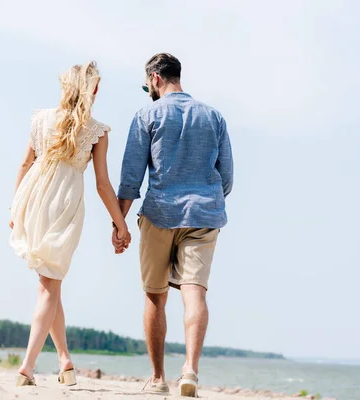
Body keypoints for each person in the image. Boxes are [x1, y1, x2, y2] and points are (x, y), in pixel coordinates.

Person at [113, 53, 234, 397]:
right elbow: (226, 177)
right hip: (204, 214)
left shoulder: (146, 115)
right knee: (195, 292)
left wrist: (119, 224)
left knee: (155, 296)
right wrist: (206, 194)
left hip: (160, 213)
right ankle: (190, 370)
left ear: (154, 79)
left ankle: (157, 378)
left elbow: (130, 179)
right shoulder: (214, 116)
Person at [10, 61, 131, 387]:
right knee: (49, 285)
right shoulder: (97, 130)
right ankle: (27, 367)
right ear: (93, 89)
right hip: (64, 203)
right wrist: (121, 224)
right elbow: (103, 184)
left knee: (51, 282)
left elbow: (25, 163)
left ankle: (64, 361)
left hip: (34, 198)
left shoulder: (40, 119)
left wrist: (14, 208)